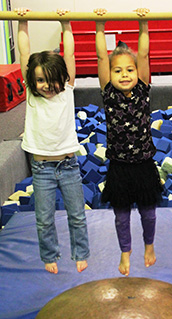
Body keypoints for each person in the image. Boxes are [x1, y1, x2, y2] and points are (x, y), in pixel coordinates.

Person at [16, 8, 90, 274]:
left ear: (63, 79)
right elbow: (25, 55)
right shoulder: (32, 95)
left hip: (69, 166)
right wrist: (21, 22)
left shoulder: (66, 91)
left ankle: (80, 253)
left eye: (51, 80)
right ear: (32, 82)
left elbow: (69, 55)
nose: (46, 85)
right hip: (42, 169)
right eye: (39, 81)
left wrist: (66, 24)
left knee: (77, 216)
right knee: (44, 219)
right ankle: (50, 255)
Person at [95, 8, 163, 277]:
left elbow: (144, 54)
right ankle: (125, 251)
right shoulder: (108, 93)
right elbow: (102, 55)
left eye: (130, 69)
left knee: (149, 214)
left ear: (138, 72)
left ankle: (149, 246)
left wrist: (143, 24)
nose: (124, 74)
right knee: (121, 216)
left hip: (144, 163)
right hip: (119, 167)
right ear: (109, 74)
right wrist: (99, 26)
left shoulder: (143, 90)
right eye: (118, 70)